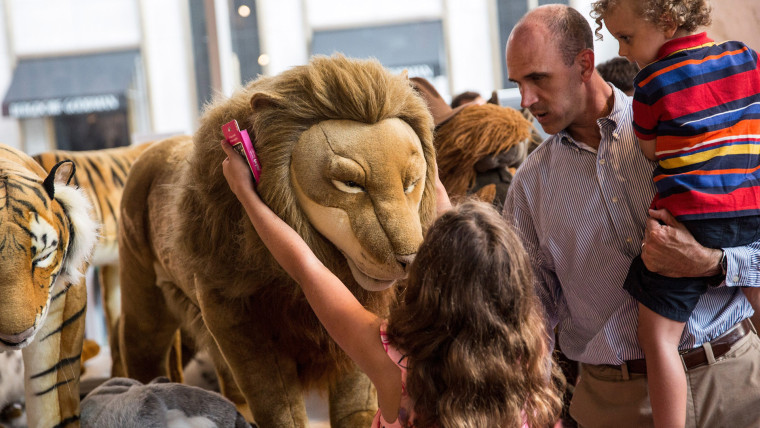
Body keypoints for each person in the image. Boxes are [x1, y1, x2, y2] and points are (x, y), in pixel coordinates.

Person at [503, 4, 760, 427]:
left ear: (585, 64)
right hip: (613, 407)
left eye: (538, 78)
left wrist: (714, 264)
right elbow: (528, 321)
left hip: (737, 382)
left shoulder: (685, 127)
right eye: (518, 84)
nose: (526, 100)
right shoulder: (529, 188)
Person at [219, 140, 564, 427]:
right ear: (514, 287)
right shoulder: (530, 367)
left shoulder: (396, 366)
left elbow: (307, 269)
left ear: (431, 281)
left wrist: (245, 191)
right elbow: (463, 254)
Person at [591, 1, 760, 426]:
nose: (624, 51)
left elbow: (649, 149)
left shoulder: (652, 81)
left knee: (658, 336)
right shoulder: (745, 57)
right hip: (748, 208)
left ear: (667, 22)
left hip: (689, 217)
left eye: (626, 37)